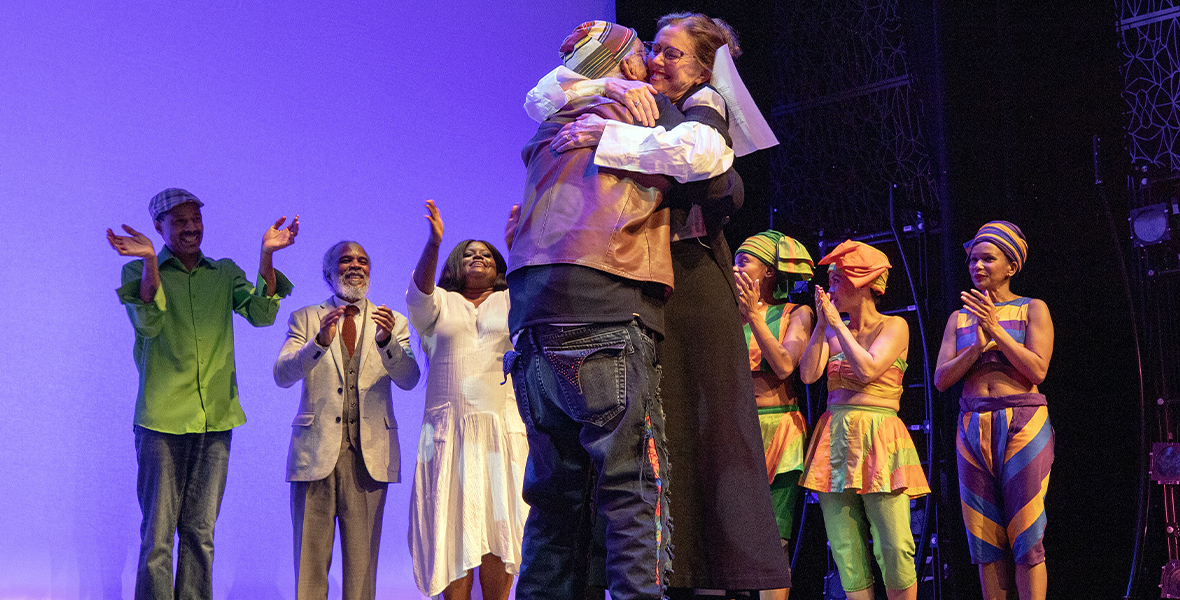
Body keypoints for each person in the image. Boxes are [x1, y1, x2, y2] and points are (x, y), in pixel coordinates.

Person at [524, 13, 792, 598]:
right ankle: (650, 571)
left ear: (703, 68)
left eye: (672, 53)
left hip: (692, 285)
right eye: (654, 48)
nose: (656, 59)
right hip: (636, 285)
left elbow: (707, 162)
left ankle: (702, 571)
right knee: (638, 441)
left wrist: (605, 135)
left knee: (694, 430)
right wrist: (608, 86)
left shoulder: (702, 106)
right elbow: (542, 95)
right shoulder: (631, 95)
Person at [505, 21, 685, 600]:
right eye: (645, 55)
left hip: (532, 317)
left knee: (554, 502)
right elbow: (722, 177)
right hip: (606, 301)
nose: (654, 64)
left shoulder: (549, 123)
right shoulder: (643, 109)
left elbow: (547, 92)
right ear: (625, 67)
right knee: (633, 492)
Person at [106, 188, 297, 600]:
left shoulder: (223, 272)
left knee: (200, 533)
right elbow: (150, 324)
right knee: (158, 537)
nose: (192, 228)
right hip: (161, 421)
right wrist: (151, 262)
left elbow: (262, 315)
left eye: (196, 219)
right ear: (159, 227)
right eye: (180, 221)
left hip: (216, 420)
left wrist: (267, 256)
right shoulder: (139, 273)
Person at [273, 241, 420, 600]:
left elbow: (409, 378)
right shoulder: (306, 317)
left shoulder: (393, 321)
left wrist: (388, 343)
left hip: (369, 458)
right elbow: (282, 374)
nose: (355, 266)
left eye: (363, 261)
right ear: (329, 273)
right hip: (315, 455)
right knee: (309, 568)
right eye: (345, 260)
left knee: (362, 571)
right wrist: (318, 343)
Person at [407, 200, 526, 600]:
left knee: (498, 532)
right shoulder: (440, 302)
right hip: (448, 433)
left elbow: (536, 292)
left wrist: (515, 243)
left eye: (488, 255)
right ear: (456, 264)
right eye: (470, 254)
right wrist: (434, 243)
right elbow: (419, 292)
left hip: (500, 434)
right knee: (451, 534)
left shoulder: (511, 301)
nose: (479, 258)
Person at [798, 240, 929, 600]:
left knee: (894, 545)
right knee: (846, 551)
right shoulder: (831, 330)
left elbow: (869, 368)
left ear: (862, 283)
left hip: (879, 435)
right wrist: (823, 326)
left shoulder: (895, 326)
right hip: (835, 438)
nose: (831, 289)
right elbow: (809, 374)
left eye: (838, 280)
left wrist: (837, 326)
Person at [933, 222, 1054, 600]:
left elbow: (1036, 370)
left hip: (1022, 423)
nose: (977, 266)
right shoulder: (959, 318)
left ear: (1011, 266)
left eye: (988, 258)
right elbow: (940, 379)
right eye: (973, 259)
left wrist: (997, 331)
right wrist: (976, 346)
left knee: (1026, 533)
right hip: (971, 423)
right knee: (985, 536)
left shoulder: (1032, 308)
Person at [733, 232, 817, 600]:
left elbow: (784, 365)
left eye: (744, 261)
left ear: (767, 271)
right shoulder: (725, 312)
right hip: (735, 431)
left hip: (780, 430)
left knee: (773, 539)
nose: (735, 268)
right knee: (731, 538)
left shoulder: (796, 313)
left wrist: (753, 316)